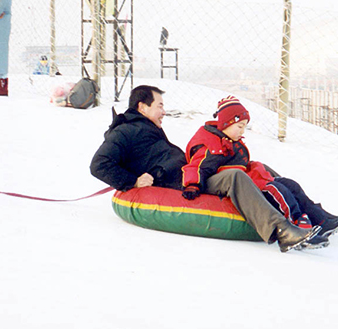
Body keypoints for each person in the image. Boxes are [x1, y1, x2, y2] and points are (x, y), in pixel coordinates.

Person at [90, 85, 319, 253]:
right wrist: (133, 180)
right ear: (142, 106)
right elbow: (99, 165)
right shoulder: (124, 132)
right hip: (184, 182)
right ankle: (282, 230)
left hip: (193, 172)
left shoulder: (144, 128)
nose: (164, 111)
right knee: (234, 177)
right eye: (159, 105)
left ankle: (312, 217)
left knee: (257, 167)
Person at [181, 96, 338, 249]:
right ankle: (289, 228)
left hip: (235, 175)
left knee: (287, 183)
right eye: (239, 126)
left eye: (244, 127)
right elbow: (195, 167)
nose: (242, 131)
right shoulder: (209, 143)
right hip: (209, 182)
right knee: (253, 181)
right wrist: (192, 185)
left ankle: (319, 218)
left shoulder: (230, 139)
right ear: (226, 123)